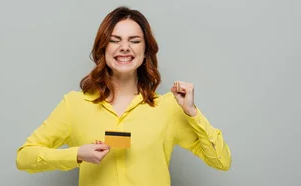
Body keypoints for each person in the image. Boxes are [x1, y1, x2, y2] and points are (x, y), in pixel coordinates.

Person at [15, 6, 231, 186]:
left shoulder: (168, 108)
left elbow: (222, 161)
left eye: (134, 41)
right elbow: (24, 157)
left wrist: (192, 112)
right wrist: (78, 154)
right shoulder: (74, 104)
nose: (125, 48)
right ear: (103, 48)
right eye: (115, 40)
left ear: (146, 51)